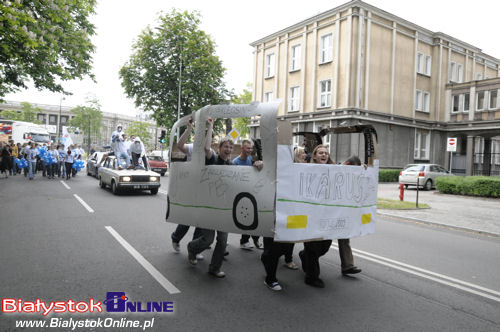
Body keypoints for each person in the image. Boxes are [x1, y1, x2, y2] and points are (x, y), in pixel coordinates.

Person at [187, 119, 229, 278]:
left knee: (223, 240)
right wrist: (210, 125)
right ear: (219, 148)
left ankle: (215, 268)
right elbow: (206, 147)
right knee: (208, 240)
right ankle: (192, 247)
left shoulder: (232, 165)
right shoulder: (213, 158)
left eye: (231, 147)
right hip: (209, 207)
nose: (229, 149)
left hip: (223, 209)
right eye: (226, 146)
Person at [298, 144, 334, 288]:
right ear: (314, 156)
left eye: (326, 153)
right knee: (312, 247)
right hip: (310, 215)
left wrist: (362, 169)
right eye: (320, 153)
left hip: (326, 215)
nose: (324, 155)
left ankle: (304, 256)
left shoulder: (334, 170)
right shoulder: (305, 170)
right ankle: (311, 277)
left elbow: (350, 168)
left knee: (324, 245)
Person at [170, 117, 204, 258]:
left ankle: (194, 248)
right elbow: (179, 145)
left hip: (204, 190)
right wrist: (189, 128)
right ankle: (176, 237)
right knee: (189, 218)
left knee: (201, 219)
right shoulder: (192, 148)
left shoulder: (210, 151)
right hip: (191, 188)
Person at [232, 139, 263, 250]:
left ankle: (255, 239)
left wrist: (259, 164)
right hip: (241, 194)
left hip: (253, 192)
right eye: (247, 148)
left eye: (251, 148)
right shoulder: (235, 162)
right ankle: (244, 241)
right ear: (242, 148)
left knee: (256, 217)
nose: (249, 150)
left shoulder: (251, 159)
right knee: (246, 218)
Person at [337, 155, 364, 276]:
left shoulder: (351, 174)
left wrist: (363, 172)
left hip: (341, 212)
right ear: (347, 165)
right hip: (328, 212)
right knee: (320, 244)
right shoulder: (333, 170)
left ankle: (348, 266)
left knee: (344, 239)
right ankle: (306, 256)